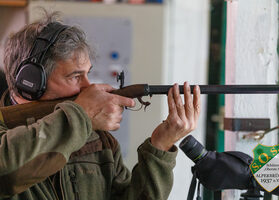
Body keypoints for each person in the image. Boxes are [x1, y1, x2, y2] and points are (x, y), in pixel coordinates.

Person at [0, 12, 201, 199]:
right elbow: (7, 171)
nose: (90, 87)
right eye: (75, 76)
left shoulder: (98, 140)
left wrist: (160, 146)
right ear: (31, 82)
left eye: (87, 74)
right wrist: (83, 116)